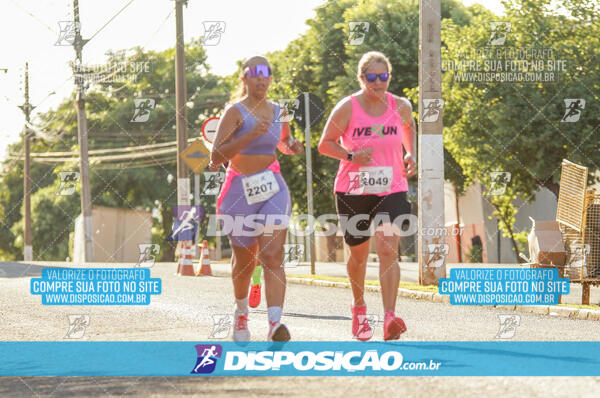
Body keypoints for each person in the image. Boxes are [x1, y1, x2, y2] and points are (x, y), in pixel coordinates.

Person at [318, 51, 416, 341]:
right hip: (353, 189)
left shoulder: (401, 106)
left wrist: (410, 152)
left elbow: (408, 128)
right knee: (358, 256)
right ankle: (359, 309)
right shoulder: (347, 108)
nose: (377, 82)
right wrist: (350, 155)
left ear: (388, 77)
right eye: (371, 77)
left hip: (393, 187)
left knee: (387, 248)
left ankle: (389, 317)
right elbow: (325, 144)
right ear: (361, 78)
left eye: (383, 76)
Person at [209, 55, 303, 342]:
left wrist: (292, 146)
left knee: (273, 255)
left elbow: (283, 142)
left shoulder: (280, 111)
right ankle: (240, 313)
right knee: (245, 262)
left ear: (270, 79)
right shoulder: (234, 112)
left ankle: (275, 324)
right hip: (239, 189)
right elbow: (216, 157)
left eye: (266, 73)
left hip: (272, 186)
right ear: (244, 78)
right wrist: (248, 136)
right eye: (255, 73)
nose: (261, 78)